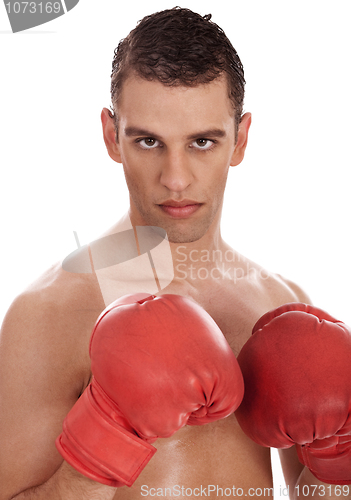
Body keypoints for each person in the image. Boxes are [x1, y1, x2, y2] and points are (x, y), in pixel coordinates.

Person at [0, 7, 349, 500]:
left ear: (241, 140)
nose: (176, 178)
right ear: (111, 136)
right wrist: (104, 442)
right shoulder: (52, 312)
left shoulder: (281, 303)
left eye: (203, 141)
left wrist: (339, 460)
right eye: (149, 141)